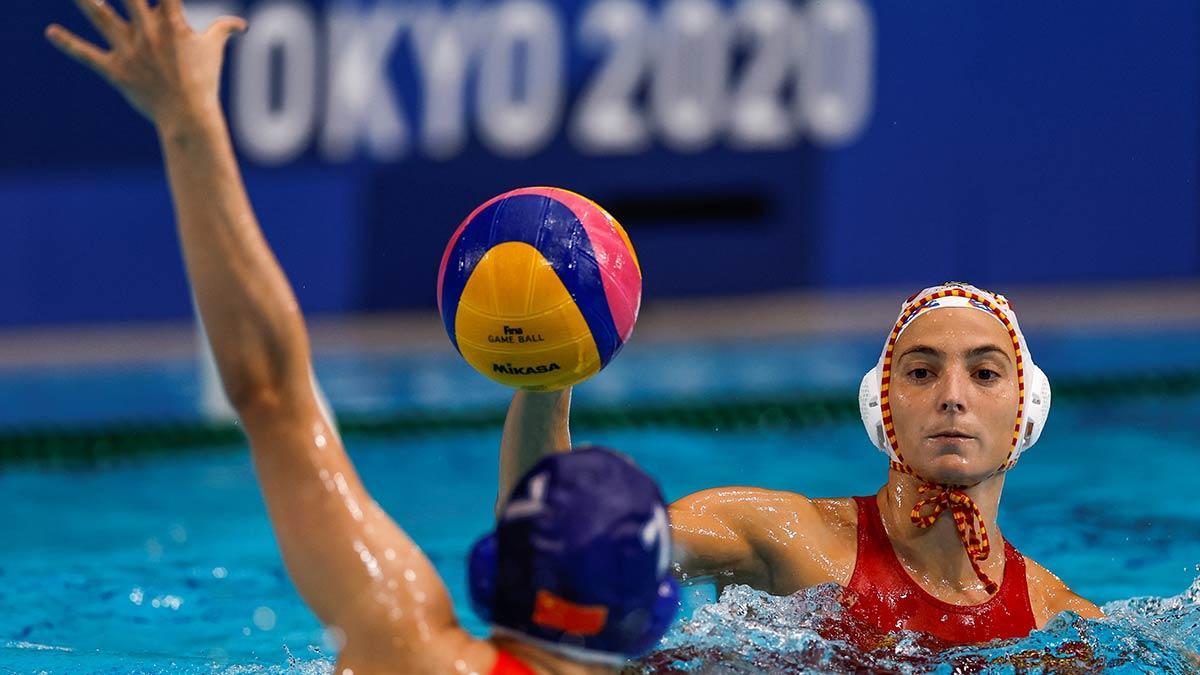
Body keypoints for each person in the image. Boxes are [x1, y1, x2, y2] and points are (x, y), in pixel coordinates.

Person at [45, 2, 678, 673]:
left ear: (492, 571)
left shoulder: (414, 649)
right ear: (653, 614)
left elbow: (271, 393)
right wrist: (549, 369)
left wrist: (187, 121)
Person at [501, 282, 1105, 645]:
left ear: (1026, 414)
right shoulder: (778, 537)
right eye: (921, 372)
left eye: (984, 373)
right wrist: (547, 381)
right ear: (880, 407)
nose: (952, 395)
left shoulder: (1056, 619)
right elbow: (560, 549)